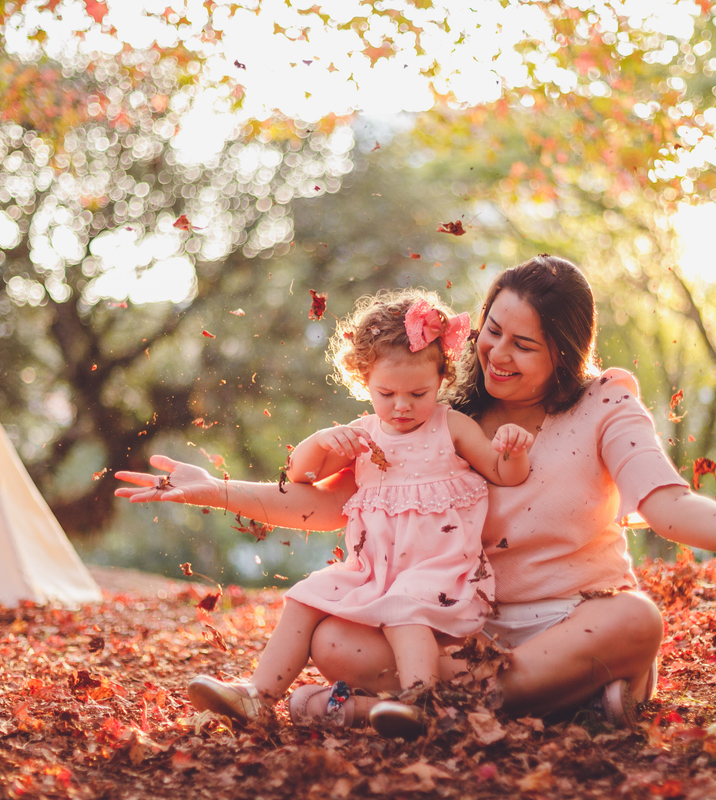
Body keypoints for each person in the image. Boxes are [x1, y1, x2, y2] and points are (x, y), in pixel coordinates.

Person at [116, 254, 716, 731]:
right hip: (455, 634)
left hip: (575, 623)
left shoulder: (606, 406)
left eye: (525, 344)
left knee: (636, 621)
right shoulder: (442, 417)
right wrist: (210, 491)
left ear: (565, 353)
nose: (498, 354)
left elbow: (667, 503)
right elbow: (332, 506)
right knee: (335, 633)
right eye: (492, 332)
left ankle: (379, 710)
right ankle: (519, 704)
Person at [178, 290, 534, 737]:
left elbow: (504, 473)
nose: (402, 406)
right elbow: (300, 475)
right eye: (386, 393)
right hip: (373, 570)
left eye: (417, 393)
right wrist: (324, 440)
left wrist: (514, 451)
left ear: (441, 380)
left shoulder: (451, 426)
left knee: (407, 605)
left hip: (440, 570)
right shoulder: (362, 435)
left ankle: (420, 702)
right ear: (363, 380)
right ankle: (258, 695)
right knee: (306, 595)